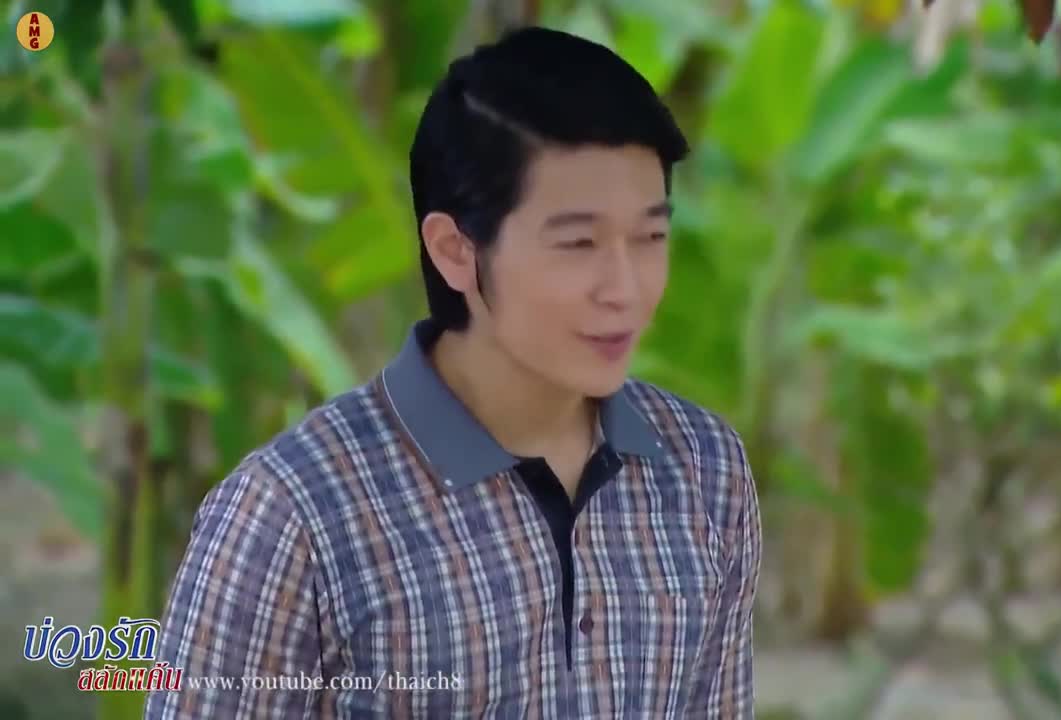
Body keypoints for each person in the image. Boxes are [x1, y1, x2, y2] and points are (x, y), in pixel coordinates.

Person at [145, 25, 760, 719]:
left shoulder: (705, 469)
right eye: (579, 243)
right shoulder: (292, 513)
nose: (626, 289)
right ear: (455, 251)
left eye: (650, 237)